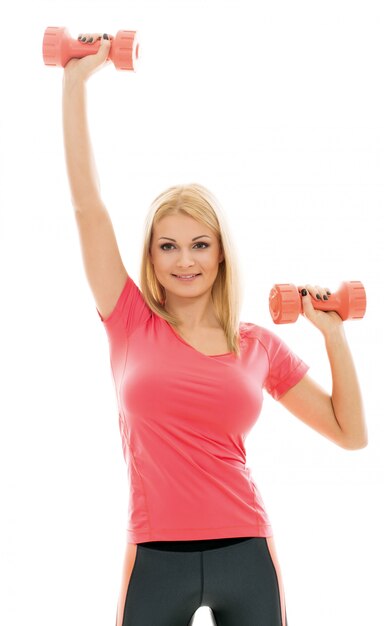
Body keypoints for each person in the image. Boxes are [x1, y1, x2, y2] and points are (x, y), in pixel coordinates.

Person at [62, 32, 368, 626]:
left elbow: (349, 433)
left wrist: (333, 335)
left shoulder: (254, 344)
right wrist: (75, 85)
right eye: (168, 246)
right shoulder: (128, 320)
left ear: (222, 253)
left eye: (200, 245)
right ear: (149, 257)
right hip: (154, 555)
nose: (185, 261)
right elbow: (87, 207)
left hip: (247, 550)